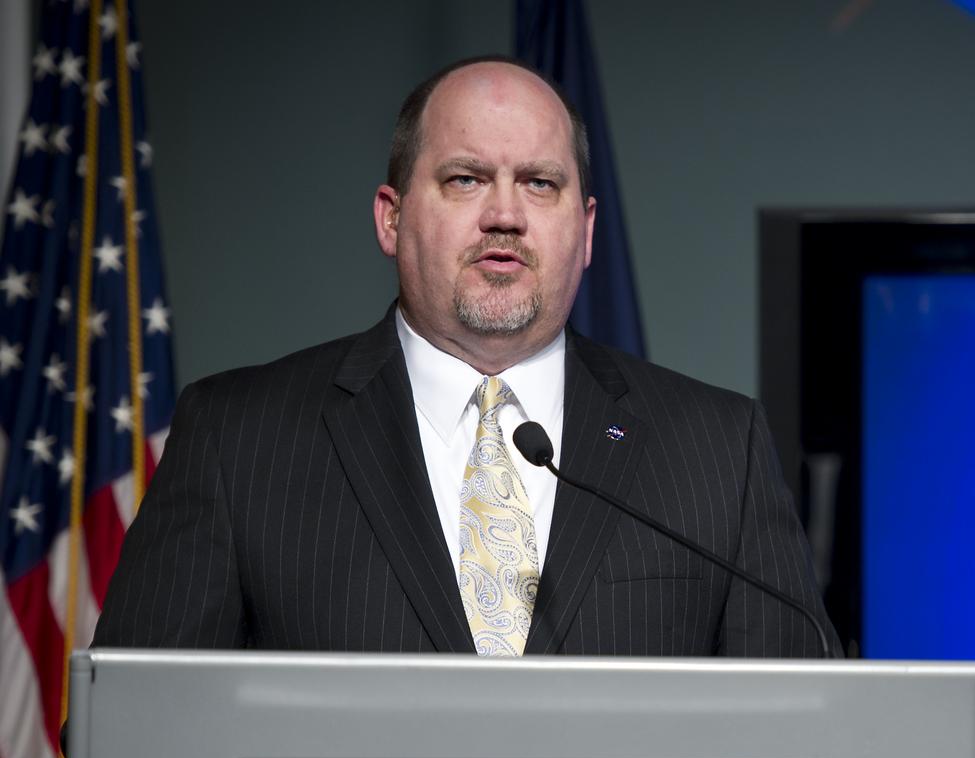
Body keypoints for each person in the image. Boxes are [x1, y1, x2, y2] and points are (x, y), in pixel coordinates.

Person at [94, 57, 836, 657]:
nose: (505, 214)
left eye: (539, 184)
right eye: (466, 179)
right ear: (391, 218)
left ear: (584, 232)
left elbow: (805, 730)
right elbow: (138, 731)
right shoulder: (238, 438)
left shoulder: (717, 448)